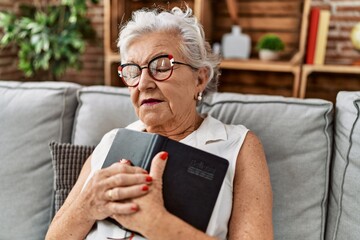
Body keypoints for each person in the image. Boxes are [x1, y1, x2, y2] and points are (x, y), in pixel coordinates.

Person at [46, 5, 273, 240]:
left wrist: (156, 224)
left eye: (162, 66)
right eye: (133, 71)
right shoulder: (113, 140)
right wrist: (87, 205)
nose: (143, 83)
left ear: (200, 78)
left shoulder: (238, 145)